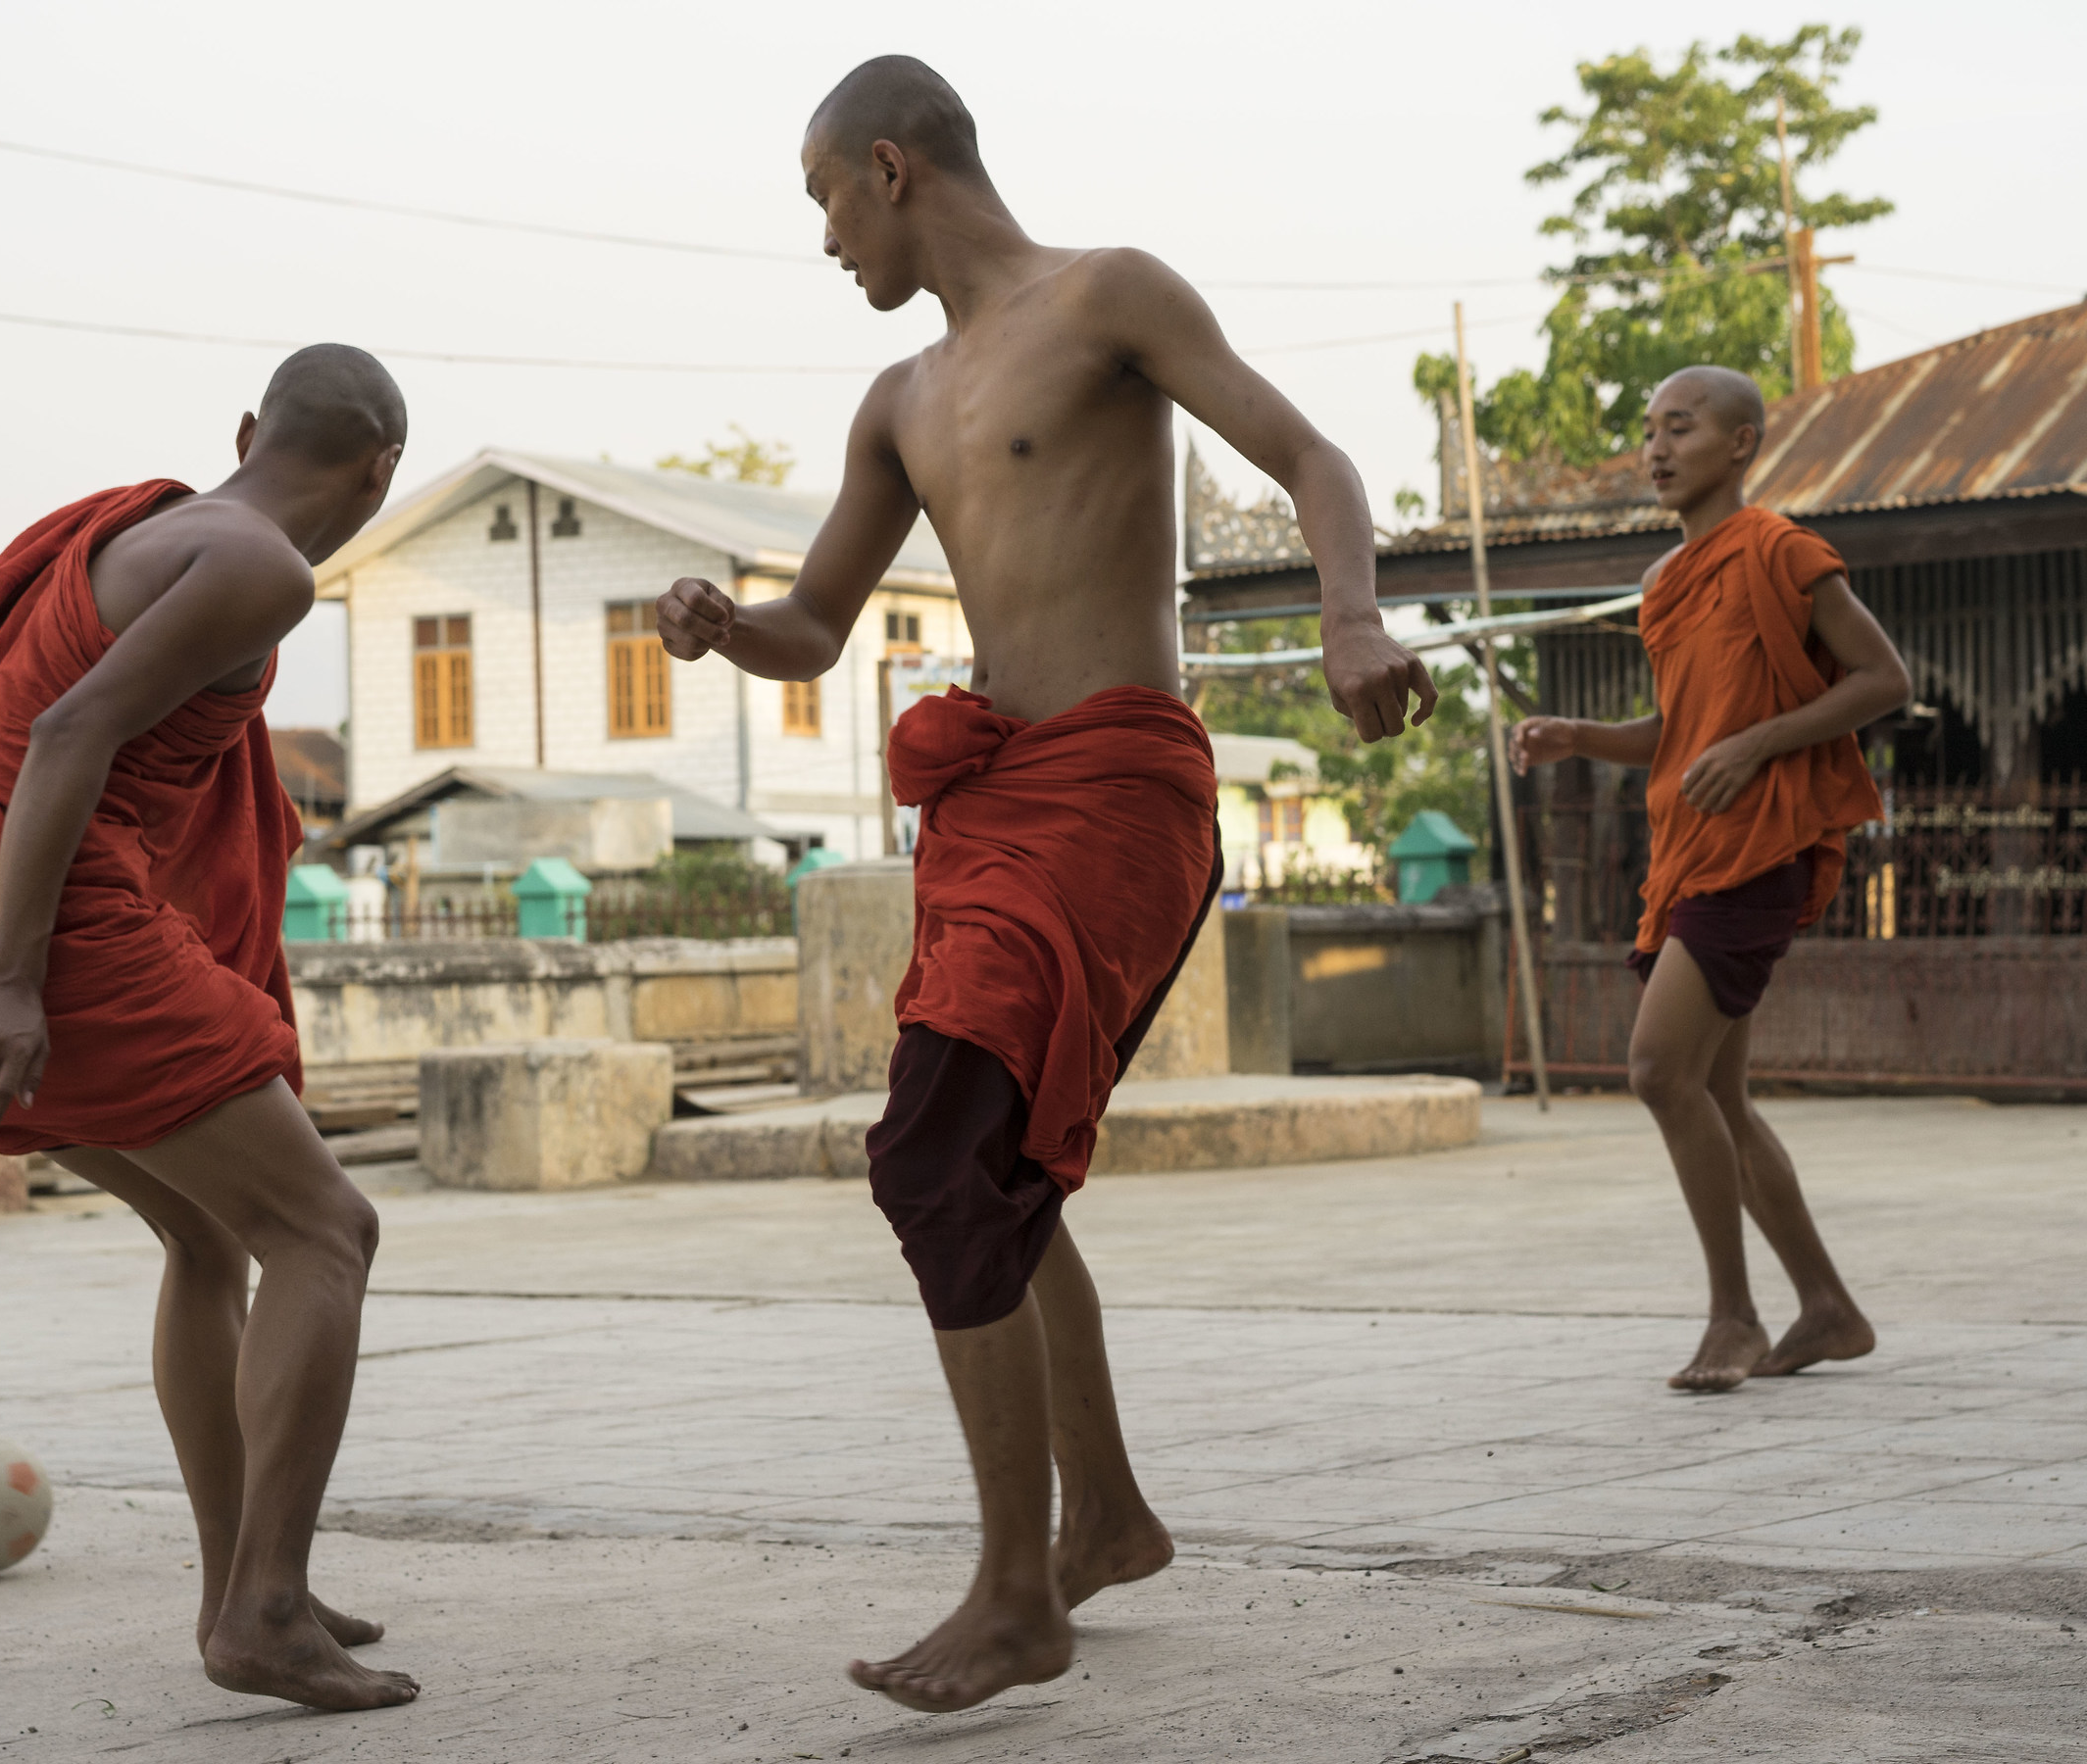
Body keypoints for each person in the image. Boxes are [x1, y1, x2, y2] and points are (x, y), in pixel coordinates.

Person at [656, 56, 1432, 1714]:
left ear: (889, 168)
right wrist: (731, 628)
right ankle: (1110, 1520)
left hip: (1115, 790)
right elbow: (816, 625)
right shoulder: (897, 401)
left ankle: (1018, 1596)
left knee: (940, 1154)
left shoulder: (1110, 299)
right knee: (992, 1161)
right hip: (992, 811)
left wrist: (1351, 613)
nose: (825, 246)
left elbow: (1315, 460)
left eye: (820, 206)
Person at [0, 346, 420, 1712]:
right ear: (381, 473)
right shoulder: (263, 567)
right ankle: (265, 1611)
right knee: (328, 1231)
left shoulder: (158, 523)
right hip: (27, 930)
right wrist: (14, 978)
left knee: (209, 1232)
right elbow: (68, 735)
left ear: (245, 430)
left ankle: (245, 1587)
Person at [1511, 366, 1912, 1395]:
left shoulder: (1780, 551)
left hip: (1762, 844)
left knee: (1657, 1070)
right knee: (1721, 1101)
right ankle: (1828, 1308)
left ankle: (1733, 1316)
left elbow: (1882, 679)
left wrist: (1763, 744)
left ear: (1737, 445)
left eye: (1678, 428)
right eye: (1647, 431)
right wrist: (1580, 738)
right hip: (1688, 848)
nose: (1655, 449)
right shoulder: (1665, 583)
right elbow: (1683, 735)